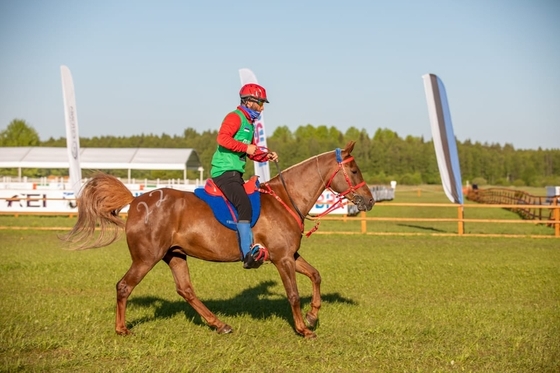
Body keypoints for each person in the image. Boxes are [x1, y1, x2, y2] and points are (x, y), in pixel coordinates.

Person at [210, 83, 278, 269]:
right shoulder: (235, 117)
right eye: (260, 103)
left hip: (235, 174)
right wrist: (246, 147)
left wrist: (266, 155)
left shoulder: (250, 124)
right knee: (244, 206)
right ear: (249, 101)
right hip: (224, 172)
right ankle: (247, 254)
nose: (263, 107)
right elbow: (222, 139)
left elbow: (252, 152)